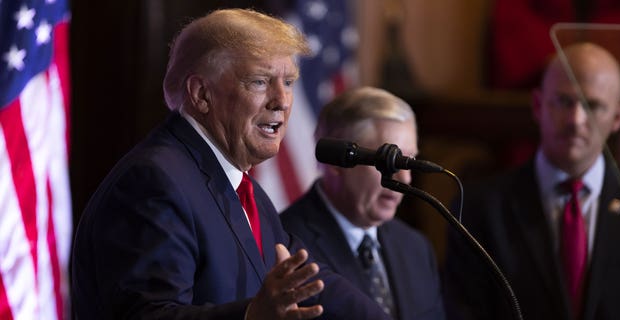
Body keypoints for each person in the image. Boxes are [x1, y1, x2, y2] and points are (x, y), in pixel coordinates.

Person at [71, 9, 392, 320]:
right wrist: (251, 316)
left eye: (289, 82)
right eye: (259, 81)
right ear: (200, 94)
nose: (281, 100)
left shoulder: (241, 188)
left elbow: (308, 279)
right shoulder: (153, 182)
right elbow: (148, 314)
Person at [442, 42, 620, 320]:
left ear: (618, 117)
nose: (576, 119)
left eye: (593, 105)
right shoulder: (478, 210)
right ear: (537, 105)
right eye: (564, 101)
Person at [280, 86, 446, 320]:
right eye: (389, 162)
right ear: (337, 161)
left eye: (409, 161)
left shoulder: (416, 249)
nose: (405, 178)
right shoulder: (285, 244)